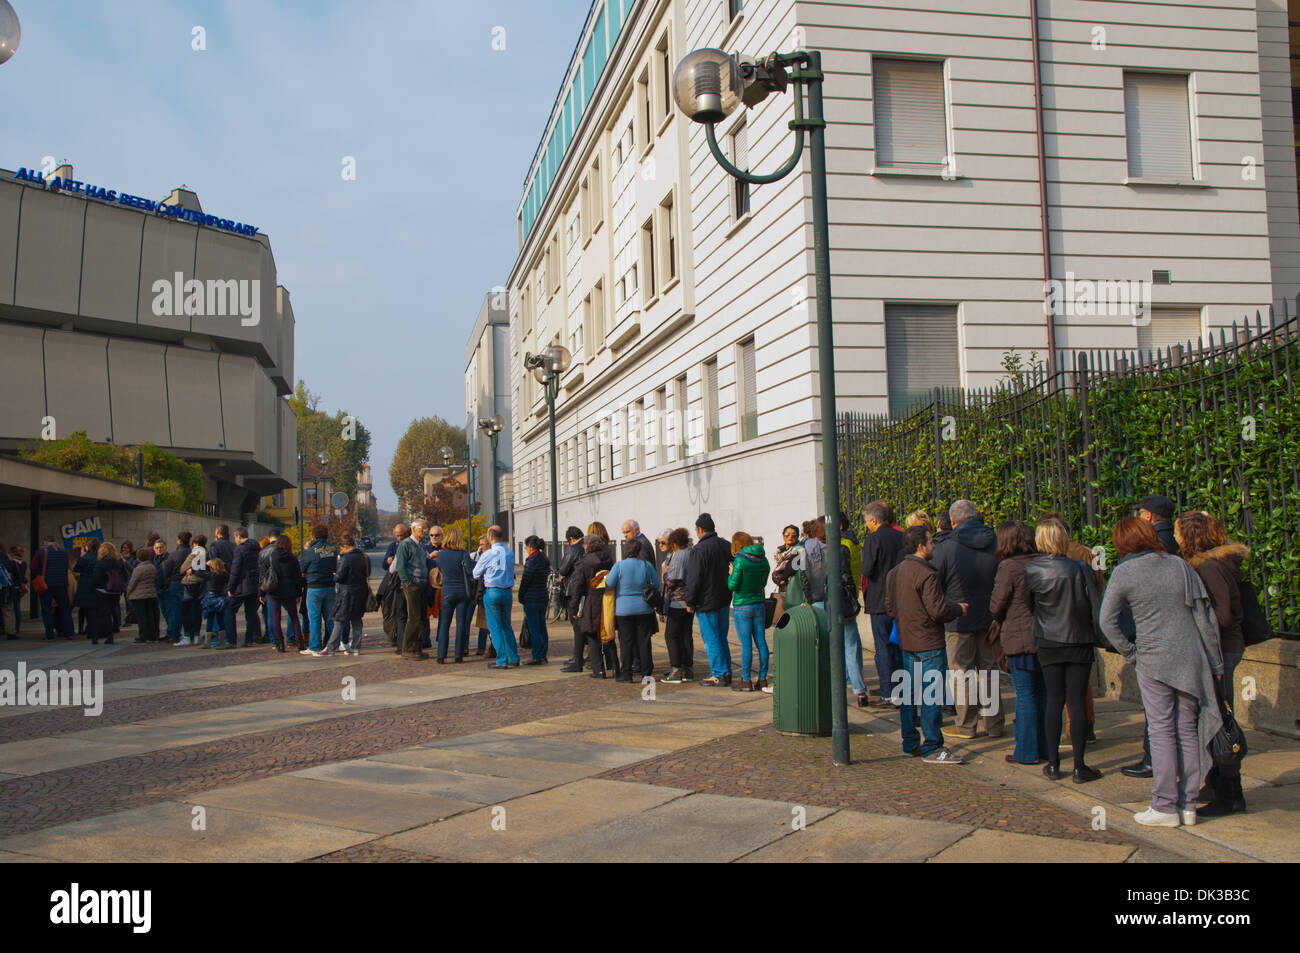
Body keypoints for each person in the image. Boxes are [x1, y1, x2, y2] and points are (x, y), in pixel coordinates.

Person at [1099, 517, 1223, 827]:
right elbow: (1204, 615)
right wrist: (1216, 662)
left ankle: (1165, 805)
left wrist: (1129, 652)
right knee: (1187, 730)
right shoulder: (1179, 566)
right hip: (1191, 656)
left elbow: (1106, 621)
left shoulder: (1124, 571)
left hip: (1153, 659)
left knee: (1161, 730)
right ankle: (1188, 803)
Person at [1177, 511, 1249, 817]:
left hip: (1220, 651)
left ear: (1192, 536)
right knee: (1216, 717)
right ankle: (1217, 784)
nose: (1176, 537)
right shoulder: (1212, 565)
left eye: (1180, 532)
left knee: (1220, 720)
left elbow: (1221, 617)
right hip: (1222, 649)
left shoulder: (1210, 568)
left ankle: (1231, 794)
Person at [1023, 520, 1104, 783]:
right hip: (1078, 639)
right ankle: (1080, 766)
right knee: (1076, 701)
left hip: (1048, 639)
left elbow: (1029, 604)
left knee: (1054, 700)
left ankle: (1055, 764)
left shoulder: (1032, 569)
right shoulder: (1080, 567)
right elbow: (1095, 603)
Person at [885, 526, 967, 764]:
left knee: (910, 695)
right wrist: (958, 609)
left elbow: (890, 608)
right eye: (931, 542)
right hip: (928, 640)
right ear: (920, 546)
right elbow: (938, 610)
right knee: (931, 695)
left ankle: (910, 742)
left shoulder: (895, 573)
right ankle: (932, 745)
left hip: (907, 640)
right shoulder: (927, 574)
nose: (934, 546)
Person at [931, 500, 1004, 739]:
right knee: (989, 670)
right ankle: (994, 724)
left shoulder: (946, 547)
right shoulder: (996, 542)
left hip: (958, 617)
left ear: (952, 522)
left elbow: (936, 582)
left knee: (962, 673)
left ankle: (966, 725)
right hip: (990, 615)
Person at [989, 521, 1046, 766]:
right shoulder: (1043, 561)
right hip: (1044, 636)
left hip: (1018, 636)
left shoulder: (1008, 567)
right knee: (1043, 693)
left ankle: (1026, 750)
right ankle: (1044, 746)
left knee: (1025, 694)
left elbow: (997, 605)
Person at [861, 501, 905, 709]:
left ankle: (889, 693)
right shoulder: (901, 536)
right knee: (899, 646)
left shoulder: (874, 539)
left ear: (874, 520)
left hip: (879, 599)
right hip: (900, 598)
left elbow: (867, 569)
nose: (867, 525)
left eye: (867, 521)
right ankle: (902, 688)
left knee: (883, 647)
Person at [685, 513, 733, 687]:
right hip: (724, 599)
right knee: (721, 637)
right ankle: (726, 671)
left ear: (699, 529)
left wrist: (690, 601)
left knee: (711, 638)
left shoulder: (699, 549)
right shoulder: (726, 545)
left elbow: (694, 578)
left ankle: (719, 674)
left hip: (706, 601)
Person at [602, 537, 658, 681]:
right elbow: (656, 584)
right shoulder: (647, 566)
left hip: (623, 610)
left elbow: (608, 584)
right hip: (644, 609)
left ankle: (626, 673)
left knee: (626, 642)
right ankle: (646, 671)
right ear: (639, 552)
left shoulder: (619, 566)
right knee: (644, 641)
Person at [727, 531, 769, 692]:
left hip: (742, 605)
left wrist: (730, 574)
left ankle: (746, 680)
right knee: (761, 643)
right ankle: (763, 678)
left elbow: (733, 586)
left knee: (746, 645)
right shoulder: (763, 559)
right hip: (758, 603)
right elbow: (764, 583)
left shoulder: (739, 561)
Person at [569, 534, 615, 678]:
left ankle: (598, 669)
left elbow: (577, 586)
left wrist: (574, 607)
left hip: (590, 599)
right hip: (607, 599)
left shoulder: (583, 563)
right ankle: (614, 667)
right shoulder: (608, 559)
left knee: (592, 634)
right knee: (608, 632)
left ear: (587, 546)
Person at [474, 525, 519, 669]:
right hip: (507, 591)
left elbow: (475, 573)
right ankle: (513, 657)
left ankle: (501, 660)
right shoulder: (509, 552)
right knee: (507, 626)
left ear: (491, 536)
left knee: (495, 628)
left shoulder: (488, 554)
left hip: (492, 590)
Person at [322, 534, 369, 657]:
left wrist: (334, 575)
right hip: (360, 591)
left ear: (345, 546)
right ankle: (355, 647)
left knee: (339, 619)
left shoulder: (346, 558)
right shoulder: (362, 557)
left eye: (341, 548)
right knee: (357, 620)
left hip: (346, 592)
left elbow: (339, 576)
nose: (341, 551)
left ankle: (331, 648)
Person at [660, 528, 695, 683]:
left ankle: (675, 669)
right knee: (686, 635)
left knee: (671, 635)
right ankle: (688, 669)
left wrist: (665, 573)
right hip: (690, 600)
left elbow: (671, 581)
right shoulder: (691, 552)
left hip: (678, 601)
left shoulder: (679, 555)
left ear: (674, 543)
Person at [434, 528, 475, 663]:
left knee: (444, 624)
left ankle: (441, 655)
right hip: (462, 591)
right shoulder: (463, 554)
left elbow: (439, 568)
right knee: (461, 623)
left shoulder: (441, 555)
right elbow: (470, 571)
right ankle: (458, 654)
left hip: (447, 591)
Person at [393, 520, 431, 660]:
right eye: (422, 529)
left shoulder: (420, 546)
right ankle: (408, 649)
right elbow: (400, 567)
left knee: (421, 618)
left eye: (426, 529)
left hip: (422, 584)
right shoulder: (405, 545)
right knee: (414, 618)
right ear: (413, 529)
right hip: (412, 586)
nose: (425, 531)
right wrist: (408, 582)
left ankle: (417, 648)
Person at [299, 524, 339, 655]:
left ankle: (315, 646)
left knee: (314, 618)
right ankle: (334, 644)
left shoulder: (310, 551)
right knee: (330, 617)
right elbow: (335, 566)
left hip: (314, 587)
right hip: (329, 586)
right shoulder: (333, 549)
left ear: (314, 536)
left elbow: (302, 568)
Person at [266, 536, 305, 653]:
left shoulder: (271, 557)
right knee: (294, 617)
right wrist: (298, 593)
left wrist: (262, 592)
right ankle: (300, 641)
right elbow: (297, 577)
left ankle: (279, 643)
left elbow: (264, 575)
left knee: (275, 618)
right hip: (289, 590)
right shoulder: (292, 558)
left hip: (274, 589)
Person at [31, 536, 74, 640]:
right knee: (65, 608)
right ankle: (68, 632)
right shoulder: (64, 552)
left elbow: (33, 567)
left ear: (45, 542)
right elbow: (68, 566)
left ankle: (49, 633)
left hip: (46, 584)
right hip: (62, 583)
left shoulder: (41, 552)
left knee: (46, 609)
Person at [226, 528, 263, 646]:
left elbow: (235, 570)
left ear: (238, 536)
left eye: (235, 537)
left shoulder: (240, 549)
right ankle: (249, 640)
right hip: (255, 584)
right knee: (251, 613)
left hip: (242, 585)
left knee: (230, 610)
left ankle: (231, 640)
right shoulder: (257, 547)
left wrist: (230, 588)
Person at [518, 535, 551, 665]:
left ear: (530, 547)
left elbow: (526, 580)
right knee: (542, 626)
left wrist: (521, 595)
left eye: (526, 546)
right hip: (542, 596)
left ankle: (536, 655)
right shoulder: (544, 559)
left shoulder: (532, 561)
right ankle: (543, 653)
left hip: (531, 597)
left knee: (534, 628)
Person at [558, 526, 586, 670]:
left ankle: (578, 658)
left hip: (572, 589)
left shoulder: (573, 549)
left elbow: (563, 569)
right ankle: (583, 655)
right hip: (586, 590)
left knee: (576, 625)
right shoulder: (587, 546)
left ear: (570, 539)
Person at [126, 540, 161, 643]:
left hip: (139, 595)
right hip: (151, 594)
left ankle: (143, 635)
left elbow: (132, 583)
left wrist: (128, 593)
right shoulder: (152, 567)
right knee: (150, 615)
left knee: (142, 617)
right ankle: (152, 635)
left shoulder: (138, 569)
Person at [198, 557, 232, 649]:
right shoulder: (224, 575)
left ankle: (207, 643)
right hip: (220, 598)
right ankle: (221, 641)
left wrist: (205, 564)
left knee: (210, 619)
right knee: (220, 620)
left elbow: (198, 573)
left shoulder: (212, 575)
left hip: (211, 597)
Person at [72, 542, 100, 641]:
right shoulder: (100, 557)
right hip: (98, 586)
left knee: (86, 610)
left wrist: (82, 556)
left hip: (85, 585)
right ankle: (95, 631)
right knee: (96, 611)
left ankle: (87, 630)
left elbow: (76, 568)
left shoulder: (85, 557)